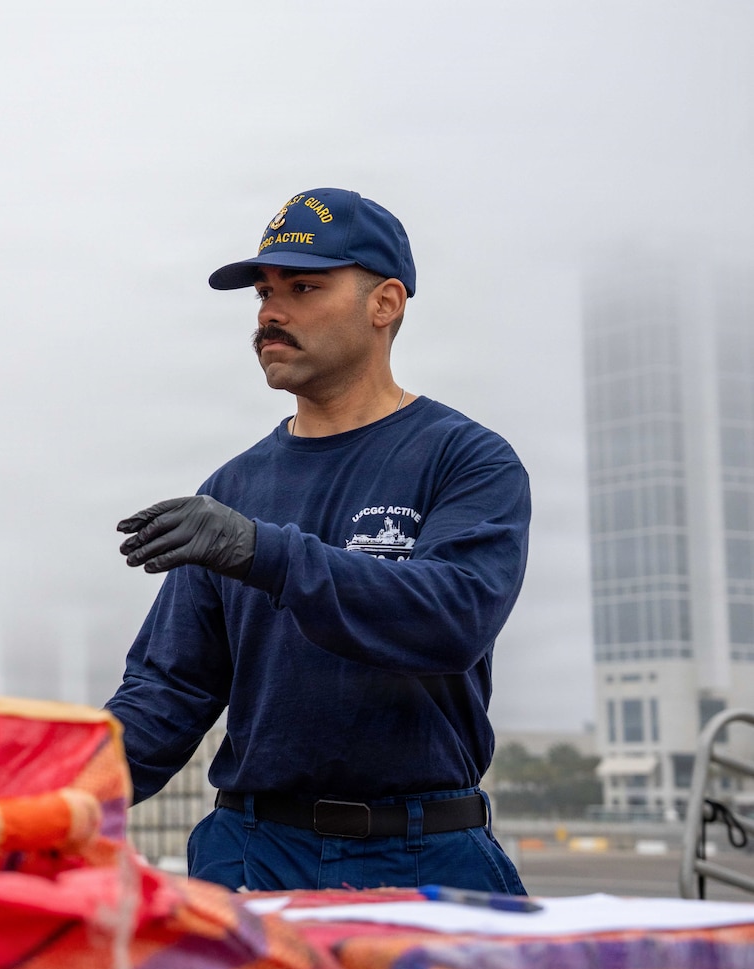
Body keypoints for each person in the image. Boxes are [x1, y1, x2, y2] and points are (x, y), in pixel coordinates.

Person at [109, 187, 530, 894]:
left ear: (385, 303)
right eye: (265, 293)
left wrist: (261, 553)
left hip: (426, 855)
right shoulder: (232, 490)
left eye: (304, 287)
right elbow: (166, 695)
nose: (272, 312)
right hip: (253, 856)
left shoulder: (465, 461)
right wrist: (34, 803)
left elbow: (451, 619)